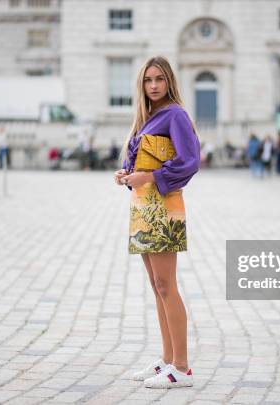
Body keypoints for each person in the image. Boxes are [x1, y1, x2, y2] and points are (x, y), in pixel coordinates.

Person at [114, 56, 200, 389]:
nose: (153, 85)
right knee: (157, 286)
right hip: (143, 208)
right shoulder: (147, 118)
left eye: (159, 79)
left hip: (163, 207)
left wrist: (148, 175)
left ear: (169, 82)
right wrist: (126, 174)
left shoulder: (175, 115)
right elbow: (140, 160)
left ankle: (182, 367)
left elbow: (190, 161)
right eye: (148, 79)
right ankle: (167, 361)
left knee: (167, 286)